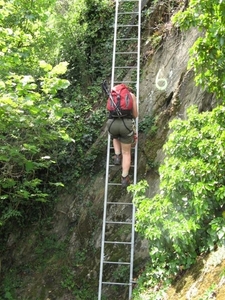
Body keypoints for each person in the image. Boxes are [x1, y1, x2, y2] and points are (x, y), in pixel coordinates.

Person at [106, 86, 138, 188]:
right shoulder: (131, 95)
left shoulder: (112, 95)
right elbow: (135, 114)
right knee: (127, 152)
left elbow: (109, 110)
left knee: (115, 136)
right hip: (126, 124)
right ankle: (124, 178)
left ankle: (117, 156)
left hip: (111, 124)